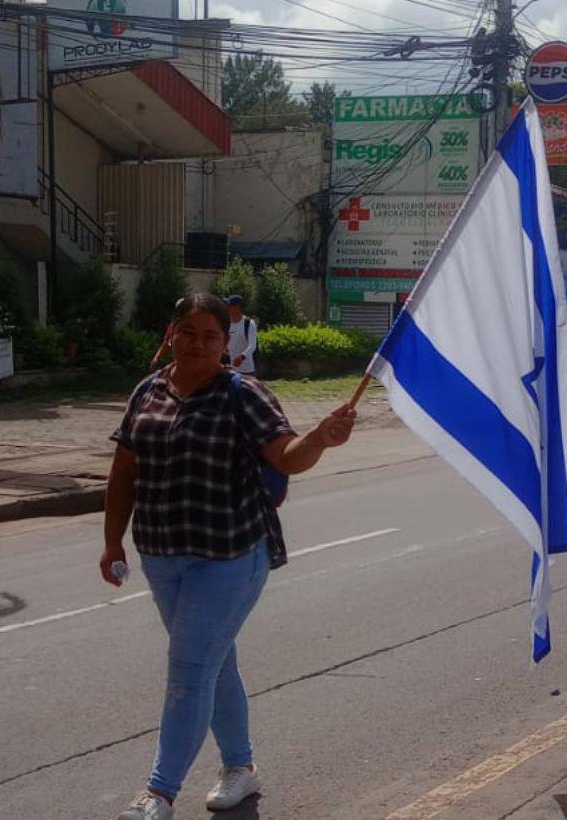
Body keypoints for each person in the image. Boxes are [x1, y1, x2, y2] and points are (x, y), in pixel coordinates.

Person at [103, 294, 355, 820]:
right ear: (171, 334)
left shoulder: (243, 393)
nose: (197, 344)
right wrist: (112, 541)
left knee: (190, 668)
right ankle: (241, 767)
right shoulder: (148, 391)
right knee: (213, 664)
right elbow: (124, 471)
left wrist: (319, 438)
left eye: (210, 336)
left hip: (231, 556)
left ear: (226, 343)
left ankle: (158, 794)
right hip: (162, 555)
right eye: (188, 333)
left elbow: (285, 455)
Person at [225, 294, 258, 376]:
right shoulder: (226, 323)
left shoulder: (249, 323)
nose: (227, 308)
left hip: (247, 370)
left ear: (237, 307)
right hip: (231, 369)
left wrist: (242, 357)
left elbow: (252, 345)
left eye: (229, 305)